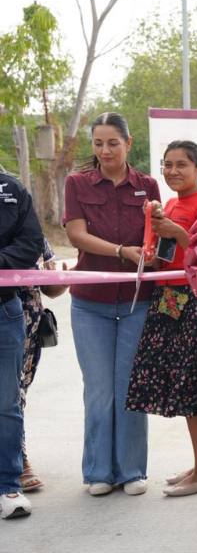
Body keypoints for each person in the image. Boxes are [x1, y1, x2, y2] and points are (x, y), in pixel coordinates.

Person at [63, 112, 160, 497]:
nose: (105, 150)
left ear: (129, 143)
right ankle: (99, 471)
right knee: (100, 390)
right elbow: (76, 235)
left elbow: (155, 236)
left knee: (130, 387)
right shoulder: (77, 183)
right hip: (91, 305)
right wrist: (122, 252)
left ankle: (132, 470)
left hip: (138, 302)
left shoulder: (147, 185)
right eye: (99, 143)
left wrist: (152, 252)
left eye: (113, 143)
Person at [125, 140, 197, 497]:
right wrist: (151, 248)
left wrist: (178, 233)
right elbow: (166, 256)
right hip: (168, 296)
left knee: (190, 380)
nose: (173, 171)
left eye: (182, 164)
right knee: (196, 379)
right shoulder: (169, 204)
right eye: (167, 165)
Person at [0, 171, 44, 519]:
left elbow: (30, 244)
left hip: (5, 309)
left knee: (6, 402)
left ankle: (8, 487)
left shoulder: (12, 189)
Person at [18, 240, 68, 493]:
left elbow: (51, 286)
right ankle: (18, 460)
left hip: (27, 327)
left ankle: (17, 457)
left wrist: (65, 277)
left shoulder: (29, 230)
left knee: (16, 396)